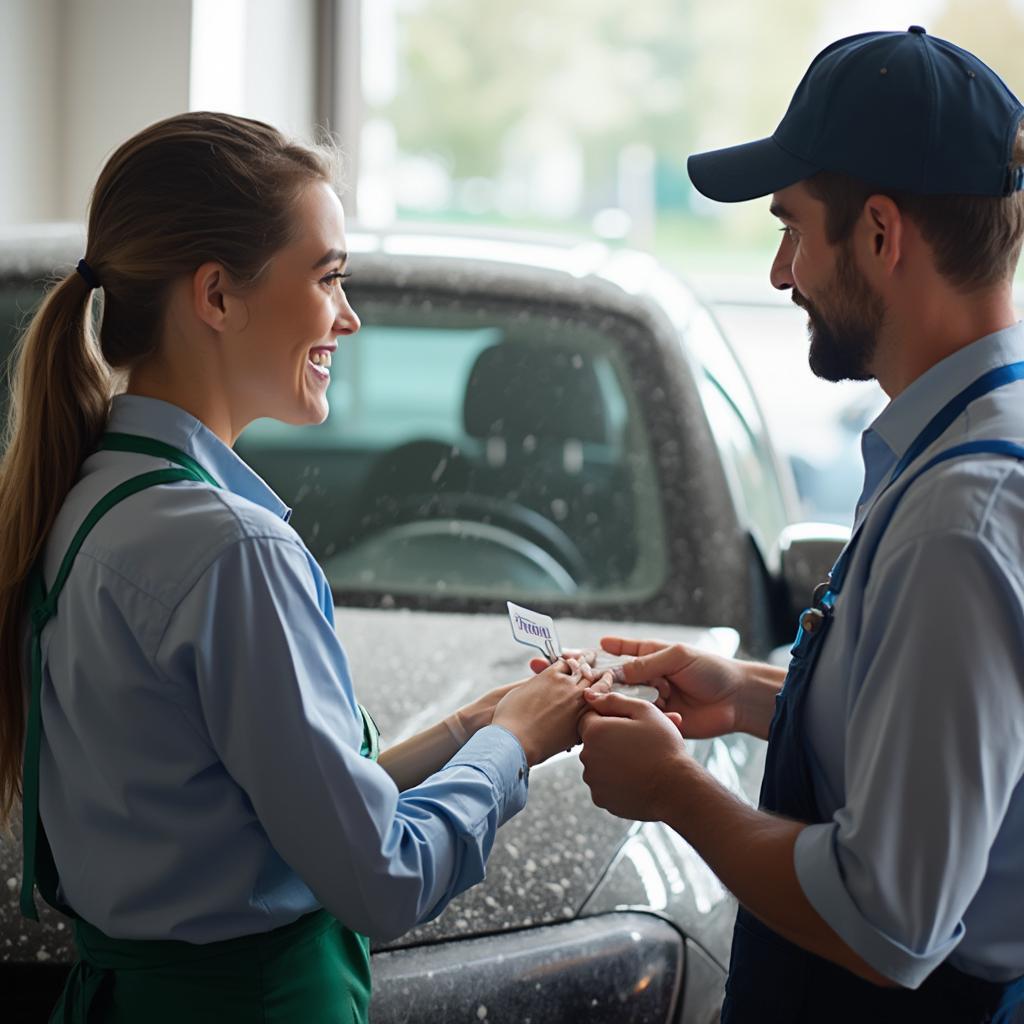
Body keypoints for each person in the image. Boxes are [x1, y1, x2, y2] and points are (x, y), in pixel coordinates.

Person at [0, 111, 607, 1023]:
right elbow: (380, 876)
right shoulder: (231, 548)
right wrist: (514, 749)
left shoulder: (84, 500)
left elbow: (266, 815)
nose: (348, 317)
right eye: (328, 278)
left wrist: (478, 724)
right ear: (215, 295)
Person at [576, 27, 1024, 1024]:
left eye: (790, 227)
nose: (781, 272)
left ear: (878, 232)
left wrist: (676, 794)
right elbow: (945, 738)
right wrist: (748, 696)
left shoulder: (963, 515)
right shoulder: (968, 440)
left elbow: (884, 920)